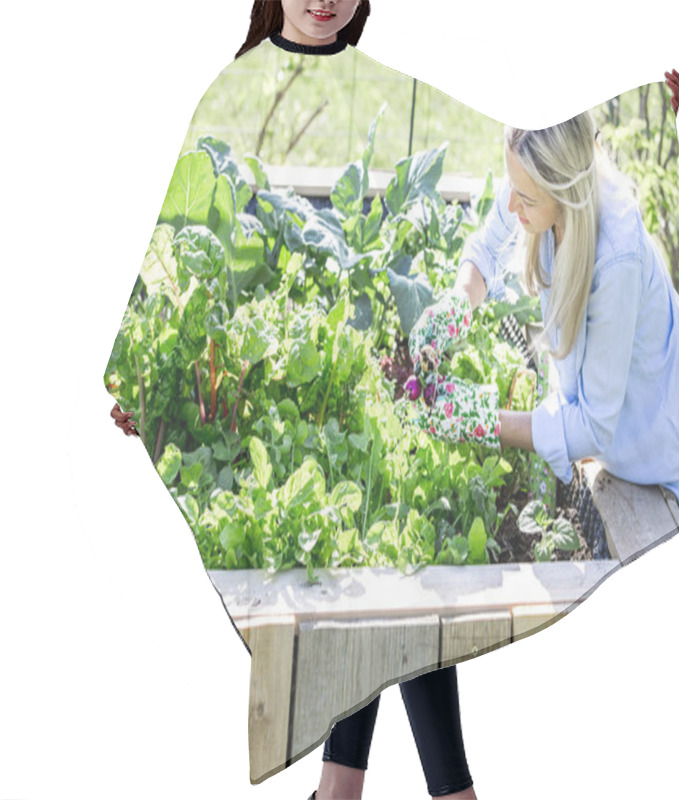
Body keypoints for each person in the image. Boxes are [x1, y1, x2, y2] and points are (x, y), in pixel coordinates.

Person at [111, 2, 478, 798]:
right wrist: (143, 371)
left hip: (351, 385)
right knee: (384, 587)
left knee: (387, 585)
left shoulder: (381, 83)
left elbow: (523, 140)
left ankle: (347, 790)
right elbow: (174, 251)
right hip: (268, 397)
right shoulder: (234, 87)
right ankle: (428, 792)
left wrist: (628, 121)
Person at [408, 110, 679, 524]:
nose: (512, 204)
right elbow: (487, 249)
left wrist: (482, 420)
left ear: (563, 195)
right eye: (513, 187)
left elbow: (593, 426)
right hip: (619, 442)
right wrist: (457, 303)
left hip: (663, 460)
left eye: (526, 199)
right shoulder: (537, 181)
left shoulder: (615, 258)